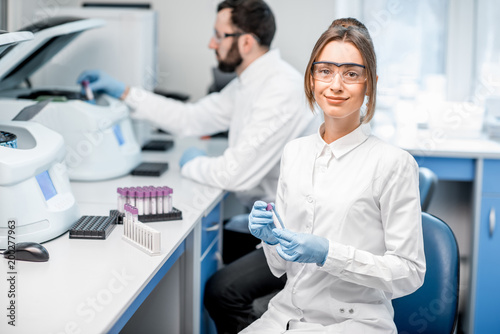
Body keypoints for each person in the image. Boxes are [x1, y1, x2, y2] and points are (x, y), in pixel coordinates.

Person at [241, 17, 426, 333]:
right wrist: (271, 239)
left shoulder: (393, 163)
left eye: (351, 74)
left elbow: (409, 273)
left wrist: (329, 254)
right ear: (312, 78)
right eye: (325, 71)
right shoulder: (294, 153)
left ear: (370, 83)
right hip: (284, 316)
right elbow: (281, 266)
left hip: (355, 323)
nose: (336, 85)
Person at [77, 0, 317, 211]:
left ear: (246, 43)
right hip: (266, 219)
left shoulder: (281, 89)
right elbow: (190, 118)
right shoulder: (250, 82)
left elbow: (234, 175)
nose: (211, 44)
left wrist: (192, 163)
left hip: (294, 237)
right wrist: (125, 93)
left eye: (219, 36)